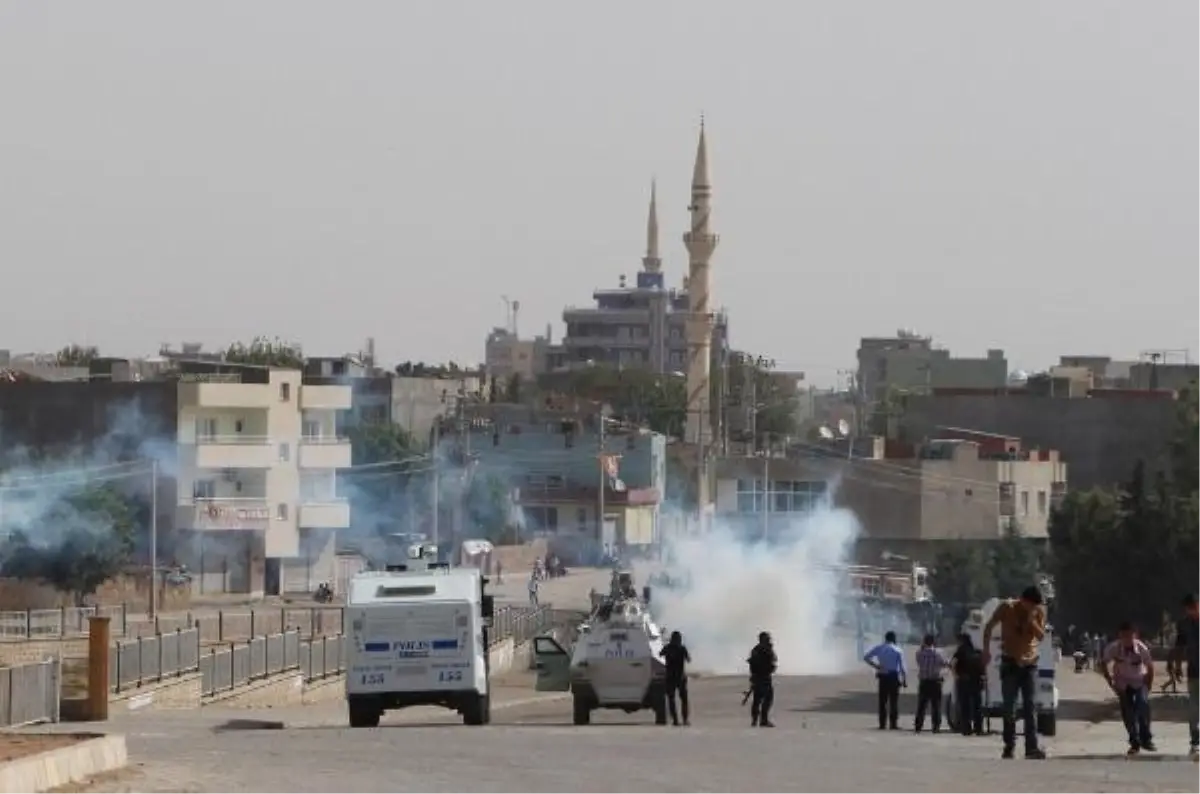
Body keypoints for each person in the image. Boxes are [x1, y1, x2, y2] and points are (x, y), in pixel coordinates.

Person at [982, 585, 1047, 760]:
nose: (1033, 608)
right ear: (1023, 600)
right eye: (1031, 605)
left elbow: (1041, 636)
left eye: (1036, 606)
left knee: (1030, 707)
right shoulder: (1007, 607)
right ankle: (1009, 746)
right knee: (1009, 707)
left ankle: (1031, 748)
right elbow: (988, 627)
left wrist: (1031, 620)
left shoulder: (1038, 612)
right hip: (1010, 662)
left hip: (1030, 664)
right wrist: (986, 651)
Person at [1099, 621, 1156, 755]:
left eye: (1129, 636)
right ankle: (1134, 742)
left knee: (1143, 705)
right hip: (1122, 683)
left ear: (1134, 635)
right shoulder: (1113, 648)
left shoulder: (1141, 648)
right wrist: (1110, 681)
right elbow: (1103, 663)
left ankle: (1146, 738)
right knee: (1128, 712)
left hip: (1139, 681)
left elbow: (1150, 667)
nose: (1127, 639)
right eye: (1124, 636)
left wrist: (1148, 685)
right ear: (1119, 636)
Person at [1170, 593, 1200, 754]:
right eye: (1189, 609)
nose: (1192, 611)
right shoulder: (1184, 625)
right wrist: (1177, 665)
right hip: (1194, 671)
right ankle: (1195, 740)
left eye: (1195, 607)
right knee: (1194, 707)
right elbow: (1179, 646)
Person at [863, 630, 907, 730]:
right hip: (894, 676)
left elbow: (866, 657)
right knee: (894, 701)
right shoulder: (898, 650)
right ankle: (893, 724)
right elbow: (902, 667)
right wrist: (904, 680)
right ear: (894, 639)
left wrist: (876, 666)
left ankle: (882, 724)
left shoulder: (879, 648)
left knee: (882, 701)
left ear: (885, 638)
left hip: (883, 676)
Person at [950, 632, 985, 736]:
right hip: (977, 682)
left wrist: (956, 675)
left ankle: (966, 729)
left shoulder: (961, 650)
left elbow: (953, 663)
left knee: (965, 706)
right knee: (977, 706)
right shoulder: (976, 651)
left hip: (964, 681)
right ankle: (978, 728)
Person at [913, 633, 948, 733]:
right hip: (935, 682)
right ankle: (936, 726)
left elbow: (919, 661)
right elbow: (944, 663)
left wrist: (922, 646)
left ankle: (918, 726)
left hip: (924, 682)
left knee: (921, 706)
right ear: (934, 642)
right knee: (936, 705)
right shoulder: (938, 653)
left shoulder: (919, 653)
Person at [659, 630, 691, 726]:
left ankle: (675, 720)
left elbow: (660, 654)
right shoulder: (682, 648)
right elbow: (688, 659)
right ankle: (685, 720)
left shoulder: (667, 648)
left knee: (671, 699)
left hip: (670, 677)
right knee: (683, 700)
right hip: (680, 677)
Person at [747, 631, 777, 727]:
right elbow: (773, 659)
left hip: (758, 677)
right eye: (767, 638)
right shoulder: (766, 649)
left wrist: (753, 677)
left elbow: (751, 664)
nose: (769, 640)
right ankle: (763, 720)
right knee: (768, 698)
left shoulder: (756, 649)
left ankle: (755, 720)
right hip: (764, 677)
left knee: (757, 699)